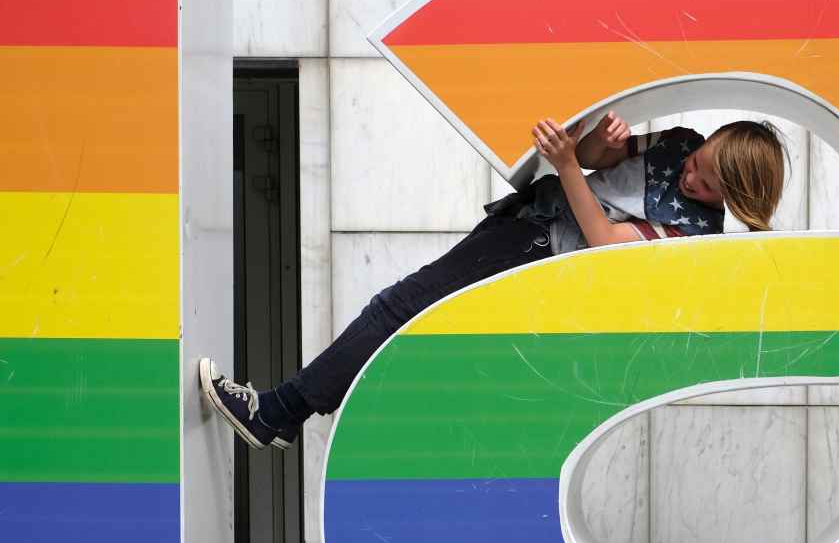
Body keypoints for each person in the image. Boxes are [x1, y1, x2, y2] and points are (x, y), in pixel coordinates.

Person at [198, 112, 786, 450]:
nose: (689, 176)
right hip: (524, 224)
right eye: (696, 163)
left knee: (397, 309)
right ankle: (285, 411)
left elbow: (608, 245)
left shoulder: (697, 235)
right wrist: (597, 146)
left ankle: (280, 411)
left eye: (707, 184)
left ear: (734, 199)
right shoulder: (680, 141)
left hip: (540, 255)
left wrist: (566, 165)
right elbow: (597, 157)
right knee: (401, 314)